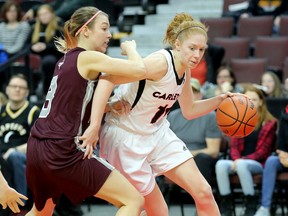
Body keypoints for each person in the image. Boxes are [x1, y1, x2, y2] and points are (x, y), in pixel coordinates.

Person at [99, 12, 245, 216]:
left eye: (202, 50)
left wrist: (218, 101)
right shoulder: (159, 63)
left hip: (157, 133)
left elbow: (189, 110)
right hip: (125, 136)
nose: (197, 55)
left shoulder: (184, 69)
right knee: (156, 211)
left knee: (203, 192)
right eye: (192, 48)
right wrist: (104, 109)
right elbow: (107, 78)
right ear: (177, 44)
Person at [25, 6, 147, 216]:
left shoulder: (64, 60)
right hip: (61, 149)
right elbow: (140, 70)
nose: (109, 34)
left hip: (36, 147)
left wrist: (107, 107)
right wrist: (131, 49)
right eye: (104, 28)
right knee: (133, 201)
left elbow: (72, 104)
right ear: (85, 31)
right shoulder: (87, 57)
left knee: (40, 213)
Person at [215, 85, 278, 216]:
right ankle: (226, 204)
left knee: (242, 165)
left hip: (260, 164)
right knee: (220, 165)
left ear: (261, 102)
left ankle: (251, 202)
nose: (251, 103)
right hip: (239, 162)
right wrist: (237, 159)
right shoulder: (238, 119)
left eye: (254, 99)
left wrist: (240, 161)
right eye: (248, 99)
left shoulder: (270, 123)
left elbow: (263, 152)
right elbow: (234, 147)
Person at [167, 78, 222, 186]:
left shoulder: (210, 116)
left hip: (197, 157)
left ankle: (203, 195)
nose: (190, 95)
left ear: (200, 95)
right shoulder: (172, 116)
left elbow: (213, 150)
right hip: (177, 157)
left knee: (202, 158)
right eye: (185, 92)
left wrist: (187, 155)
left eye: (194, 92)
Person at [0, 73, 40, 216]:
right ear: (7, 89)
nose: (17, 90)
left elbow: (38, 142)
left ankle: (20, 205)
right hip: (2, 156)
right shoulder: (1, 111)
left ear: (27, 92)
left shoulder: (33, 112)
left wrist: (15, 149)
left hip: (23, 156)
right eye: (14, 86)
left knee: (14, 157)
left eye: (21, 87)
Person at [254, 104, 288, 216]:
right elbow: (280, 143)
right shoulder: (286, 112)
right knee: (271, 161)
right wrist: (282, 154)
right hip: (285, 158)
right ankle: (265, 207)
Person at [28, 4, 64, 97]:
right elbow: (27, 44)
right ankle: (32, 92)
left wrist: (46, 46)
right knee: (26, 63)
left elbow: (61, 45)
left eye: (46, 14)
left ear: (52, 14)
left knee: (49, 62)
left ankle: (47, 92)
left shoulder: (58, 27)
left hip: (54, 55)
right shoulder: (34, 28)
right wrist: (33, 47)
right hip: (37, 55)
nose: (43, 17)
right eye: (41, 14)